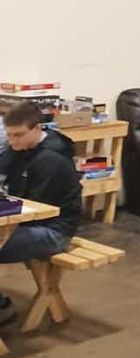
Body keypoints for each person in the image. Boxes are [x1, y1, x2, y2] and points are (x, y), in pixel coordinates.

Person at [0, 102, 82, 328]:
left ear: (37, 129)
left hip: (53, 231)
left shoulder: (52, 159)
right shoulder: (15, 150)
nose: (13, 140)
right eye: (9, 135)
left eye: (19, 135)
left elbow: (34, 209)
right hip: (24, 222)